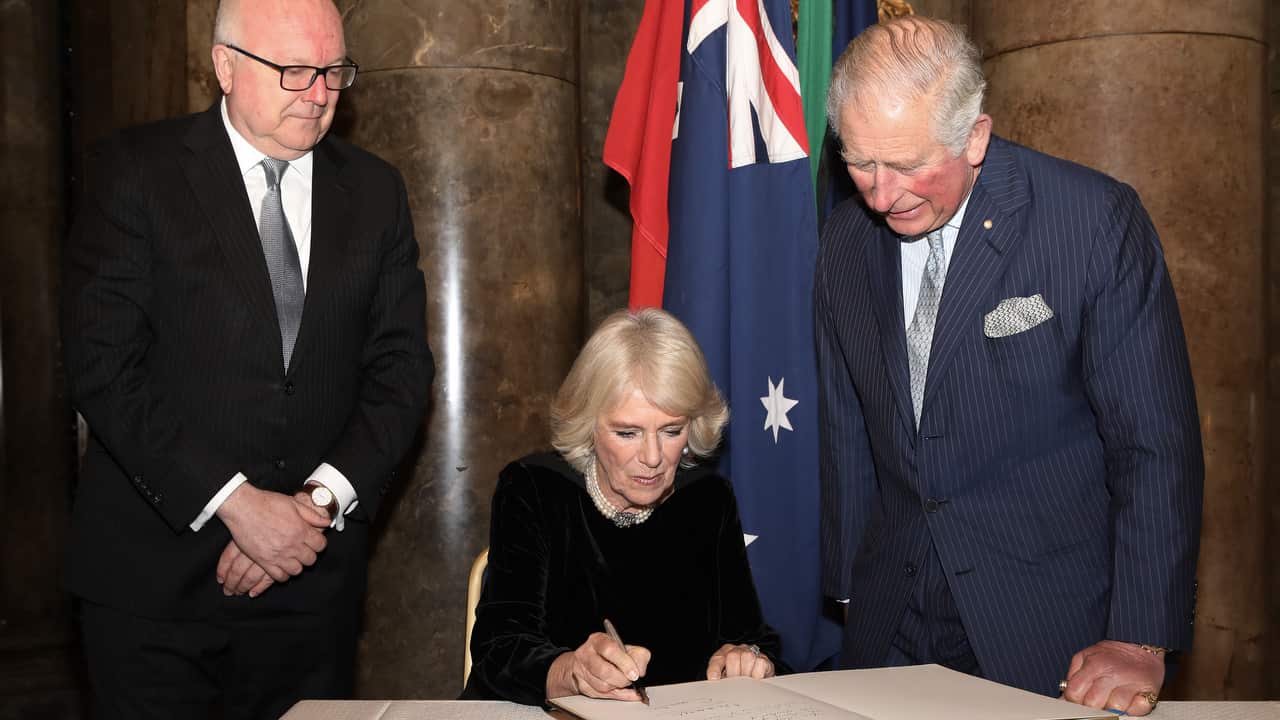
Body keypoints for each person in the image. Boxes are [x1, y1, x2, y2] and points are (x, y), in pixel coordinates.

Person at [814, 16, 1202, 717]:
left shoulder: (1092, 222)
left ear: (977, 137)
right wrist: (848, 584)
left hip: (1047, 628)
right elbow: (848, 419)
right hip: (890, 617)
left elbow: (1154, 444)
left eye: (905, 166)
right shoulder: (844, 238)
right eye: (858, 162)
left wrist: (1141, 634)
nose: (878, 194)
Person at [60, 0, 433, 716]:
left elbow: (401, 372)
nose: (319, 92)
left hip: (309, 587)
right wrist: (236, 505)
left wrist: (313, 508)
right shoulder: (137, 170)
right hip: (151, 591)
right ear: (225, 67)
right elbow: (103, 364)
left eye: (332, 71)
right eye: (294, 70)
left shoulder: (377, 191)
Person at [462, 308, 781, 705]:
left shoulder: (708, 499)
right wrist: (571, 672)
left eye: (671, 430)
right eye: (627, 432)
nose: (652, 456)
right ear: (589, 425)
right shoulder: (535, 489)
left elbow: (752, 637)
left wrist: (746, 658)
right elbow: (499, 647)